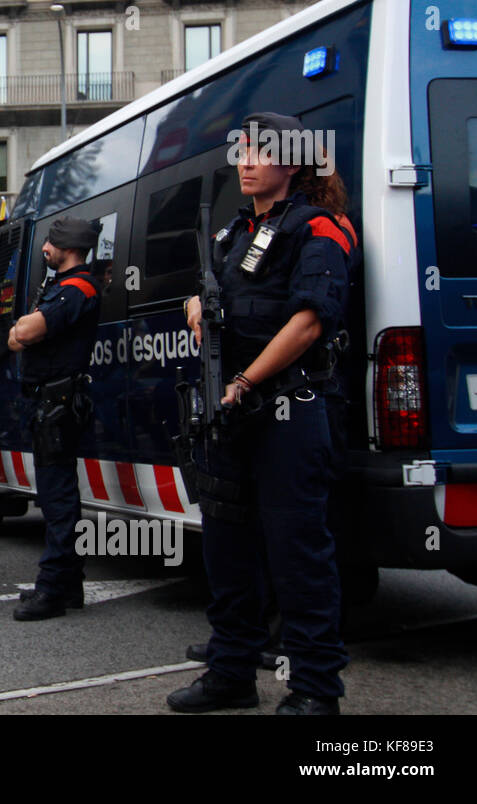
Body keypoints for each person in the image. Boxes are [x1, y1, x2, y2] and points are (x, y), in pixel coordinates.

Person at [167, 111, 352, 715]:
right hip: (230, 411)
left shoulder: (321, 227)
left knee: (298, 552)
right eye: (240, 152)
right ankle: (231, 672)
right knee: (226, 547)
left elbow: (310, 320)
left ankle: (316, 690)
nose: (243, 162)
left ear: (292, 162)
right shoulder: (233, 233)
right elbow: (215, 291)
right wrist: (197, 303)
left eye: (257, 153)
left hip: (287, 408)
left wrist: (246, 380)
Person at [6, 218, 103, 618]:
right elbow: (18, 335)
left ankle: (52, 590)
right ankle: (69, 585)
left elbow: (24, 334)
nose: (45, 248)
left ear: (68, 246)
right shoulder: (60, 286)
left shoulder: (78, 287)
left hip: (57, 402)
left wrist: (23, 330)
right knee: (56, 495)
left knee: (58, 498)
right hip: (48, 401)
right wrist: (22, 331)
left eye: (50, 242)